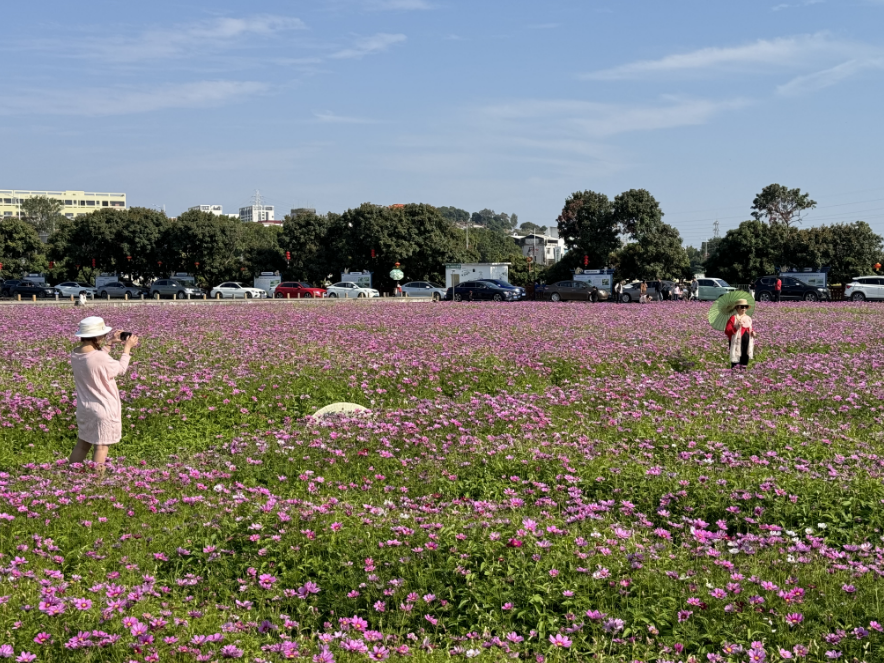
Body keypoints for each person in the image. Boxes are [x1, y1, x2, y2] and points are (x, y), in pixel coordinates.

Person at [69, 317, 139, 471]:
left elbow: (94, 359)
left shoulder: (75, 354)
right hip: (102, 408)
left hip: (84, 407)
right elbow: (120, 369)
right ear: (95, 336)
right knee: (100, 448)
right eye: (102, 335)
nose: (103, 338)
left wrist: (110, 343)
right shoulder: (100, 357)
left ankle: (70, 475)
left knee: (82, 445)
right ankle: (97, 483)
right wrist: (127, 348)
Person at [725, 300, 756, 369]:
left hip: (747, 342)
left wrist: (753, 332)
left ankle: (743, 373)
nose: (744, 309)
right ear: (737, 308)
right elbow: (727, 330)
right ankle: (735, 373)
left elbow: (750, 328)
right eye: (742, 307)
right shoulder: (733, 318)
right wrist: (737, 327)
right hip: (736, 342)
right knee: (736, 358)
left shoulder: (748, 318)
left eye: (746, 307)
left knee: (745, 357)